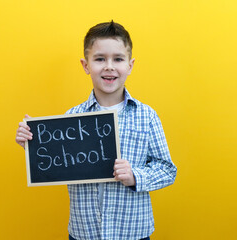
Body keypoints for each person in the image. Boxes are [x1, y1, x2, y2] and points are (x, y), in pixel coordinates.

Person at [15, 21, 177, 240]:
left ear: (130, 65)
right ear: (86, 65)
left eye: (118, 59)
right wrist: (33, 143)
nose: (109, 66)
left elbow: (167, 170)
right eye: (100, 59)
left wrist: (135, 176)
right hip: (85, 232)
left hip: (132, 232)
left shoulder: (146, 116)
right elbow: (55, 164)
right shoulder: (71, 118)